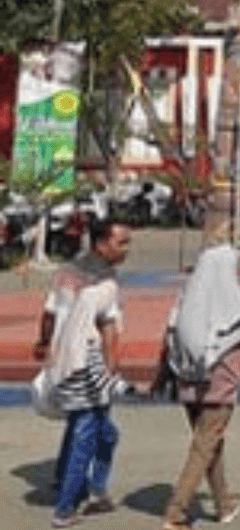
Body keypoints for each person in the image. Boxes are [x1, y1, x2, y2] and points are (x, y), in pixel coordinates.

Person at [155, 242, 240, 529]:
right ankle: (175, 514)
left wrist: (161, 376)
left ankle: (224, 505)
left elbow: (168, 337)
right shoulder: (229, 299)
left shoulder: (187, 298)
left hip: (188, 383)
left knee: (209, 445)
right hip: (219, 386)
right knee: (202, 449)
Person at [33, 217, 132, 529]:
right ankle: (68, 505)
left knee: (94, 429)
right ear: (101, 244)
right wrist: (111, 371)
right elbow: (109, 330)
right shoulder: (105, 282)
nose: (126, 249)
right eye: (121, 242)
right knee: (87, 432)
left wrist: (44, 342)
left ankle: (79, 485)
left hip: (63, 361)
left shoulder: (67, 272)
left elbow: (49, 314)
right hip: (87, 366)